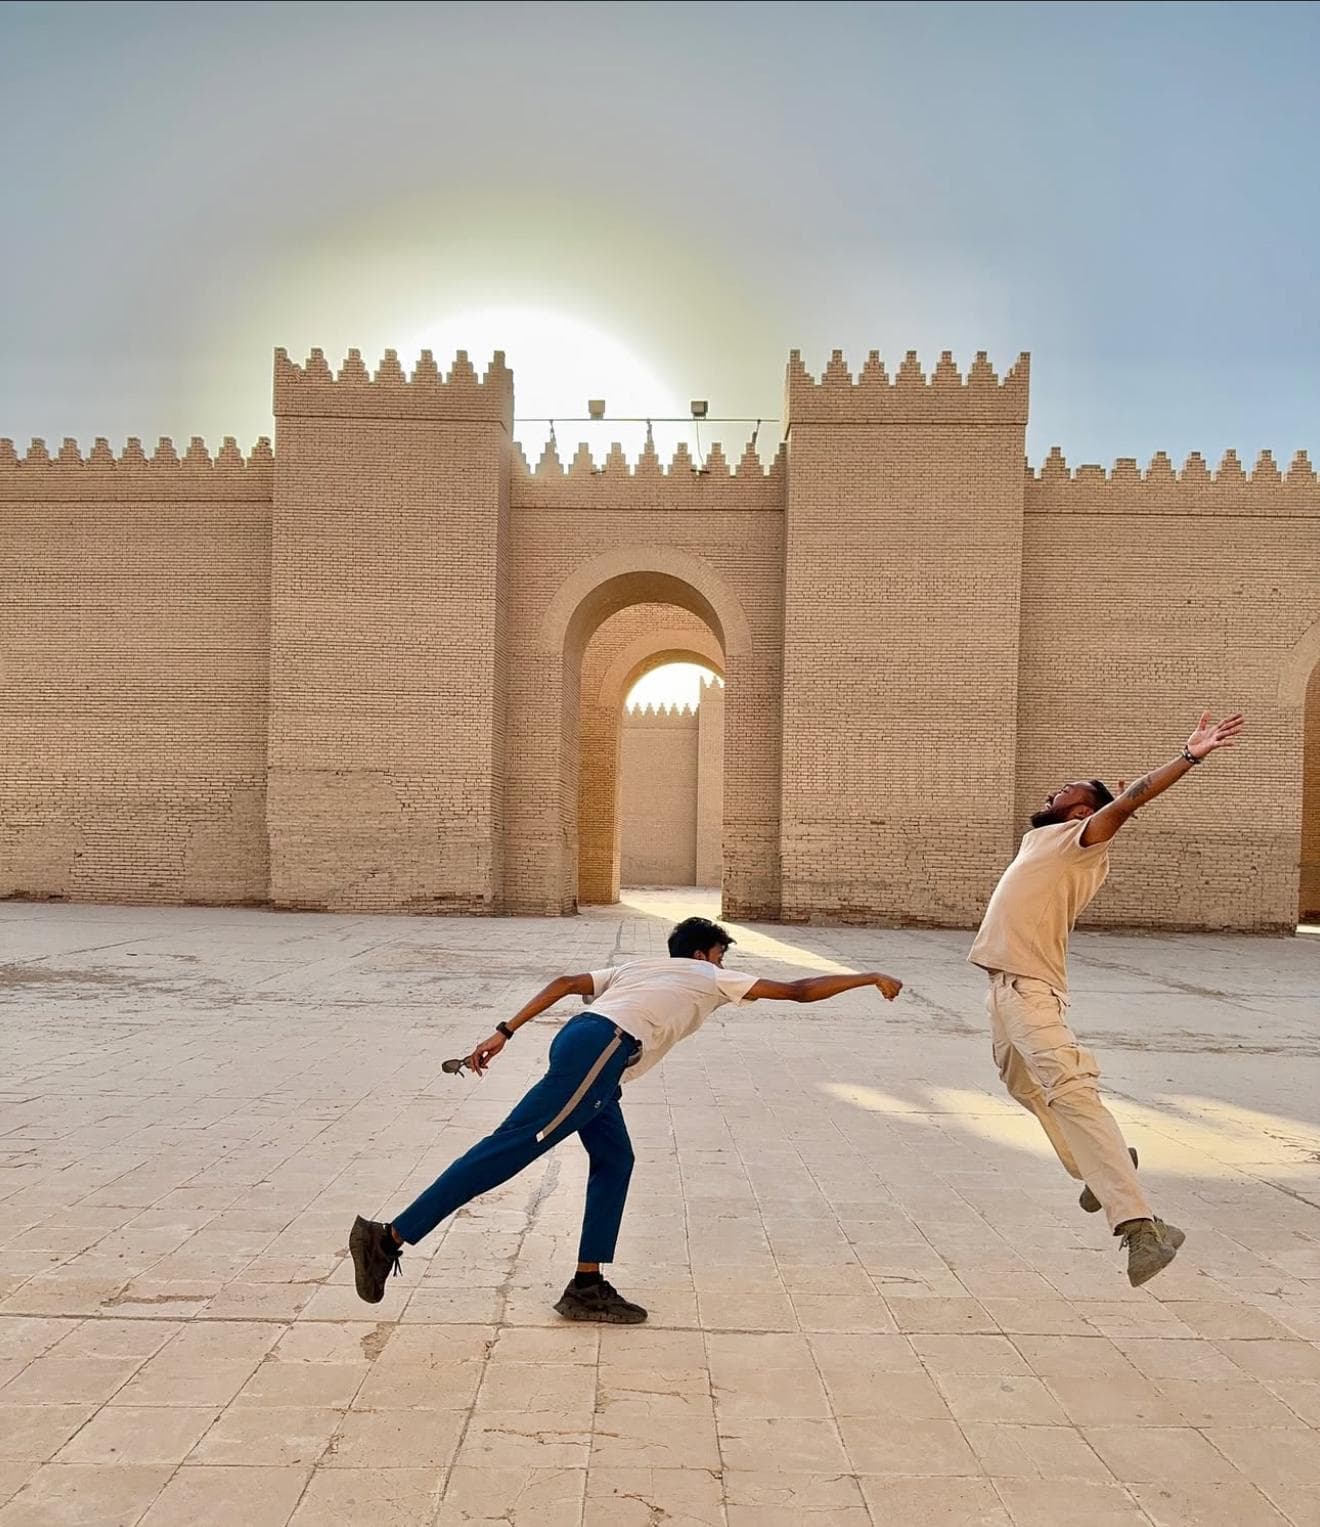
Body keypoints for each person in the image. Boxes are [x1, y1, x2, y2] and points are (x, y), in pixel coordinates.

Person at [350, 915, 903, 1322]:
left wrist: (505, 1031)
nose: (722, 966)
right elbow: (799, 992)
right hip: (604, 1048)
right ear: (704, 954)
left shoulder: (638, 967)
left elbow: (566, 984)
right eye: (720, 956)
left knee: (615, 1160)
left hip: (589, 1045)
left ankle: (586, 1284)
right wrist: (867, 976)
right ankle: (390, 1236)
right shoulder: (708, 975)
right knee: (510, 1147)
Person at [968, 709, 1245, 1287]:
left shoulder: (1080, 840)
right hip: (1002, 990)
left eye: (1068, 788)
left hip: (1030, 990)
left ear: (1083, 811)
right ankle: (1103, 1166)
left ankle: (1141, 1225)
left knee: (1071, 1093)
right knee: (1022, 1086)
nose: (1054, 789)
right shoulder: (1044, 839)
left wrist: (1188, 757)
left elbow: (1124, 806)